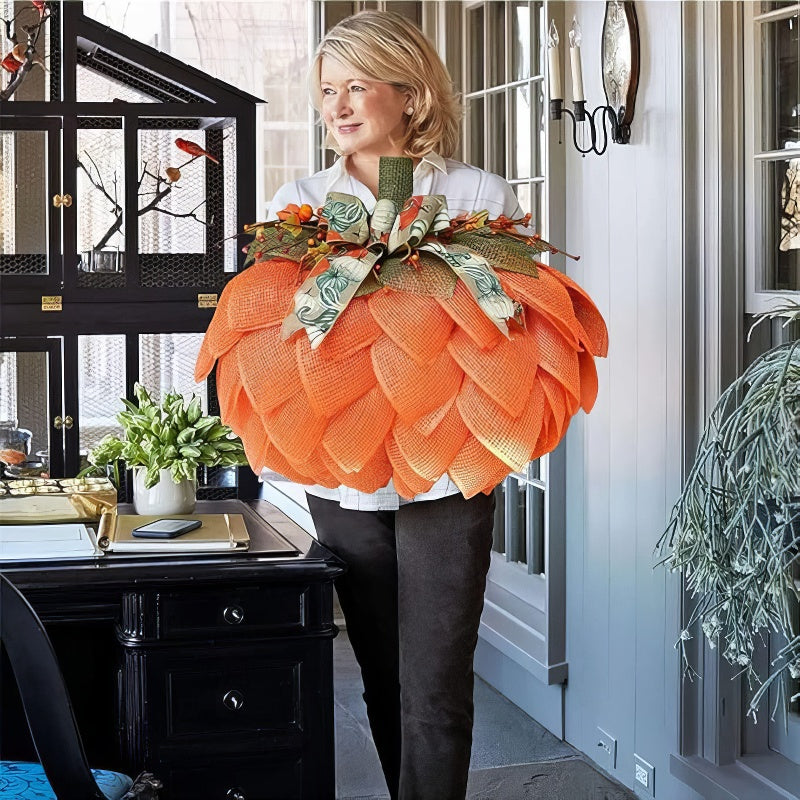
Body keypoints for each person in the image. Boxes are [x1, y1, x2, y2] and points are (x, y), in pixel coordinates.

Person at [266, 11, 524, 800]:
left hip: (450, 466)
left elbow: (509, 317)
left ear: (410, 96)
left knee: (436, 689)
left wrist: (423, 267)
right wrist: (358, 279)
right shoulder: (300, 200)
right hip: (345, 468)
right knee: (381, 676)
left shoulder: (478, 193)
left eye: (357, 87)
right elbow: (289, 330)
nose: (338, 106)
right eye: (326, 91)